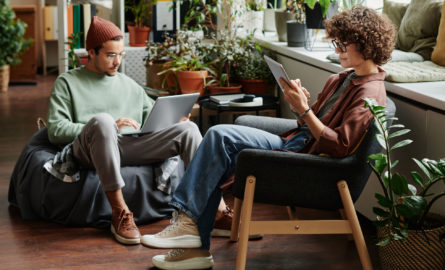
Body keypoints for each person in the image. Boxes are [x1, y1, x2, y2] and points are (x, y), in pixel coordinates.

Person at [141, 5, 396, 269]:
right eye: (336, 42)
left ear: (366, 43)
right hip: (297, 141)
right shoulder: (342, 78)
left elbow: (339, 146)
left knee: (219, 137)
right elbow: (309, 123)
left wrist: (305, 110)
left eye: (343, 44)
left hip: (308, 161)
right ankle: (193, 245)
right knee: (218, 147)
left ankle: (188, 229)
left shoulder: (370, 93)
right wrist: (303, 106)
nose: (337, 50)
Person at [46, 16, 231, 246]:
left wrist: (174, 121)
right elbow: (55, 129)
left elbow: (152, 121)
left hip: (128, 146)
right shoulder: (67, 82)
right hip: (89, 148)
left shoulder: (129, 85)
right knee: (103, 122)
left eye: (120, 54)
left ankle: (218, 212)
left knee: (188, 129)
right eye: (110, 55)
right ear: (91, 53)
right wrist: (110, 126)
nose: (118, 61)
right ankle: (120, 213)